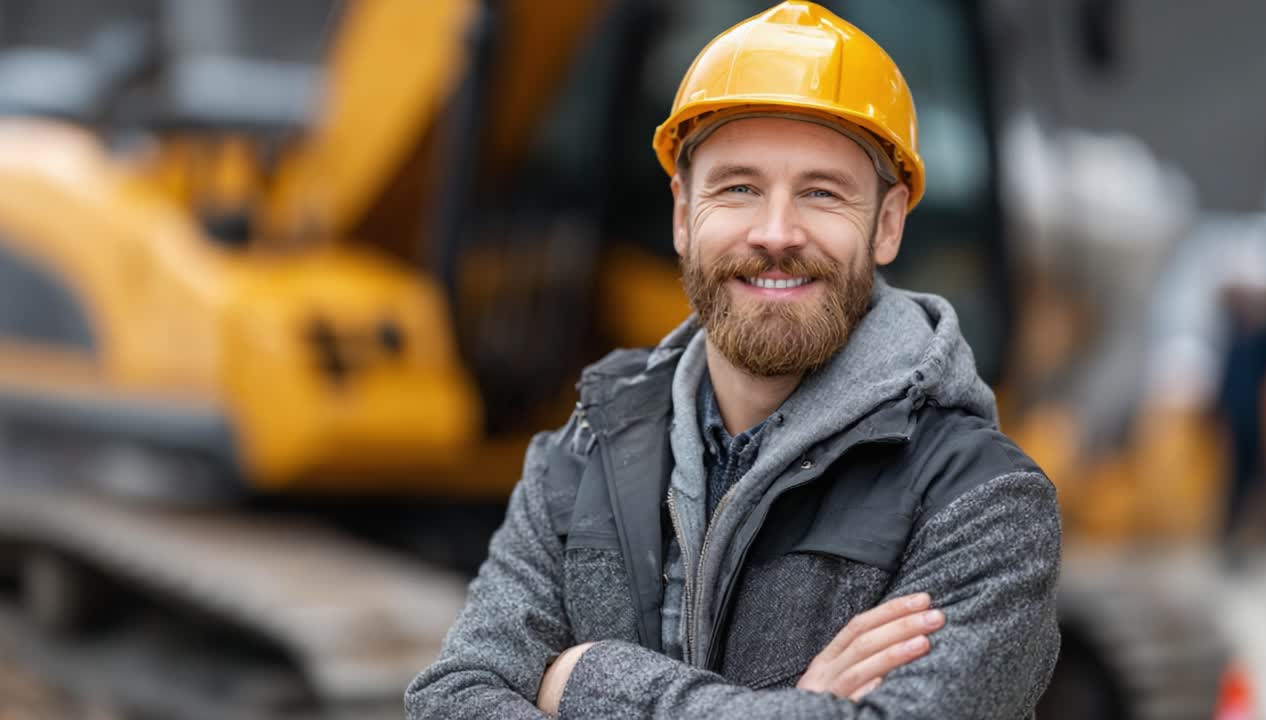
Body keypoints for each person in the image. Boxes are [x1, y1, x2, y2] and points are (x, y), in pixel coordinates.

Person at [406, 2, 1060, 718]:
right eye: (739, 188)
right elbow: (449, 700)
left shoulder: (982, 503)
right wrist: (795, 707)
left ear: (889, 223)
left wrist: (586, 679)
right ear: (685, 214)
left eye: (821, 192)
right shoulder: (579, 457)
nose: (775, 233)